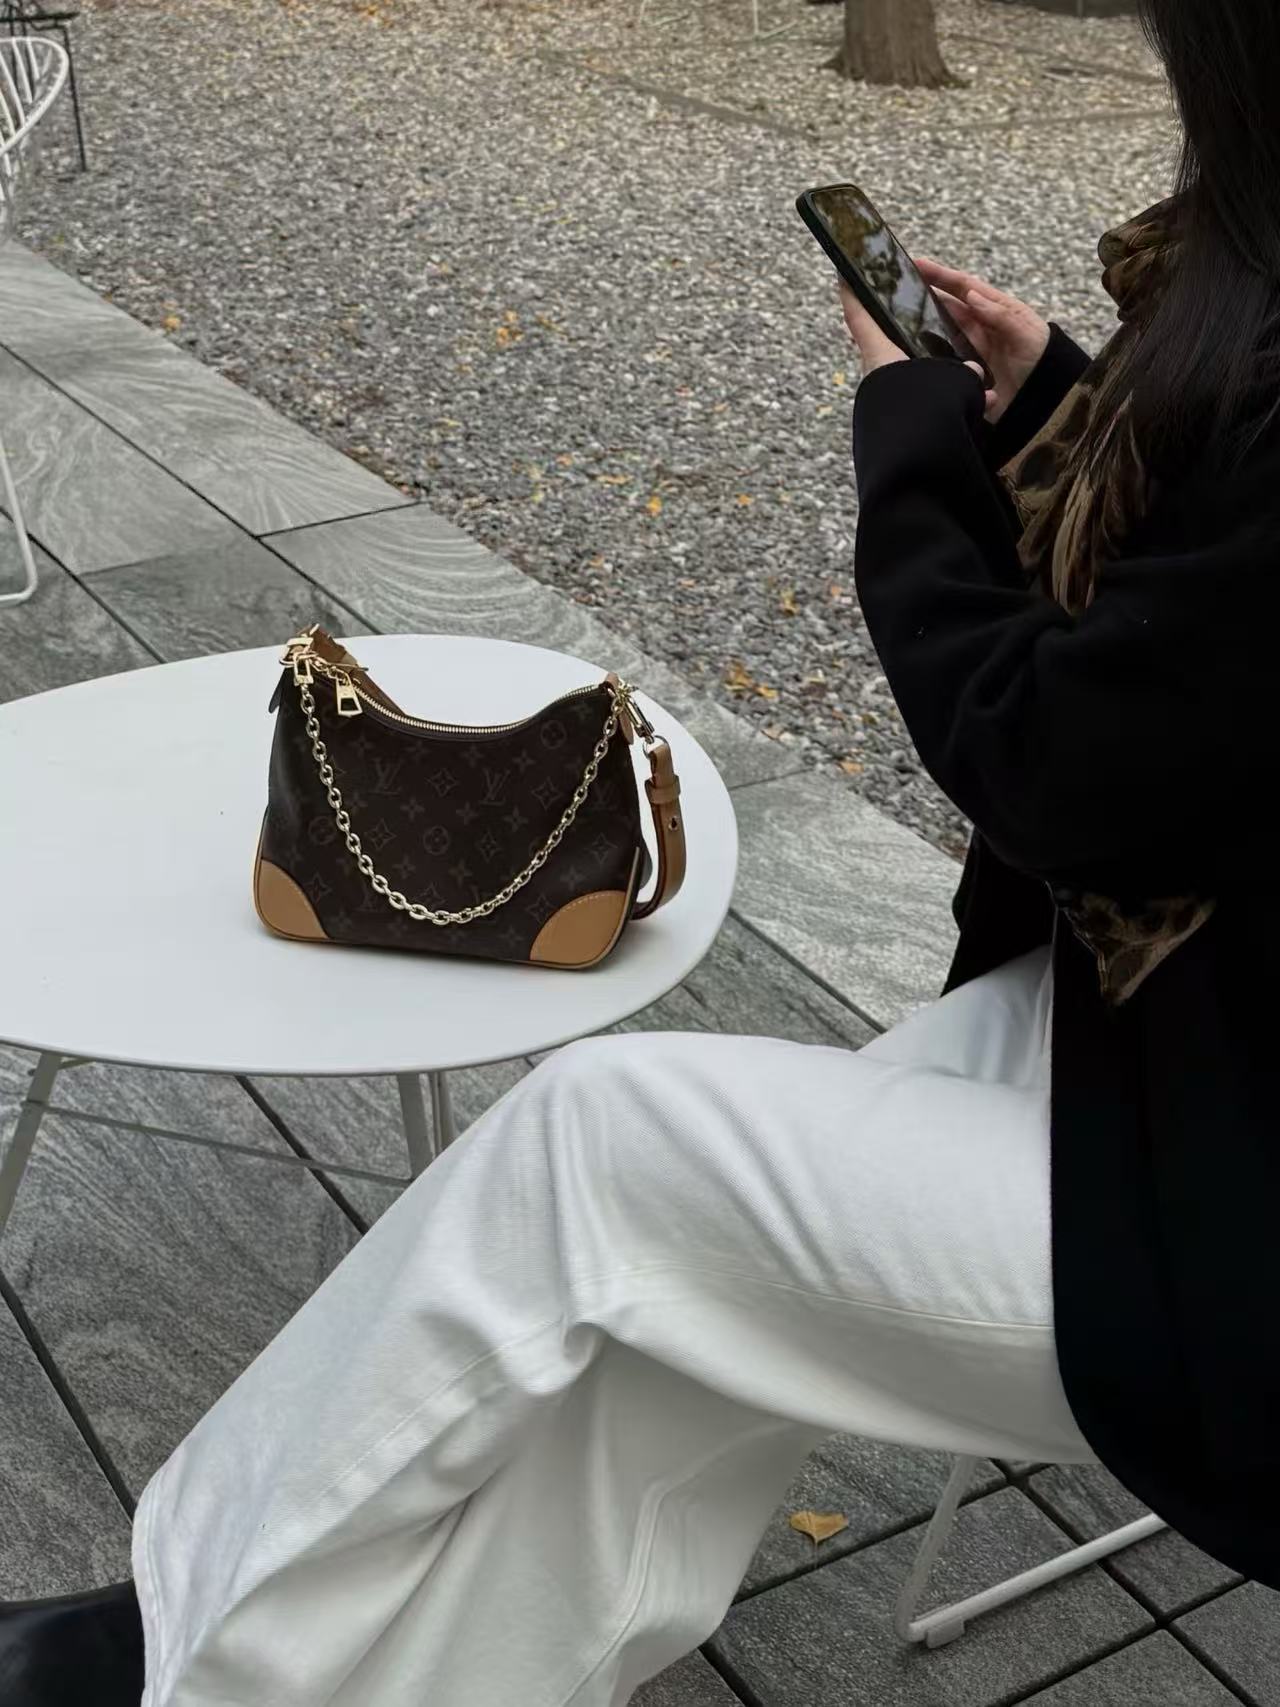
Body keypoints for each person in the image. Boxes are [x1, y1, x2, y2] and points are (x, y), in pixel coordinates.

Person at [4, 0, 1279, 1699]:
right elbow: (1210, 646)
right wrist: (1058, 398)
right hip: (1165, 1040)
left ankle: (171, 1653)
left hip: (1230, 1226)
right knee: (680, 1311)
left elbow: (1056, 755)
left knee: (600, 1146)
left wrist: (912, 442)